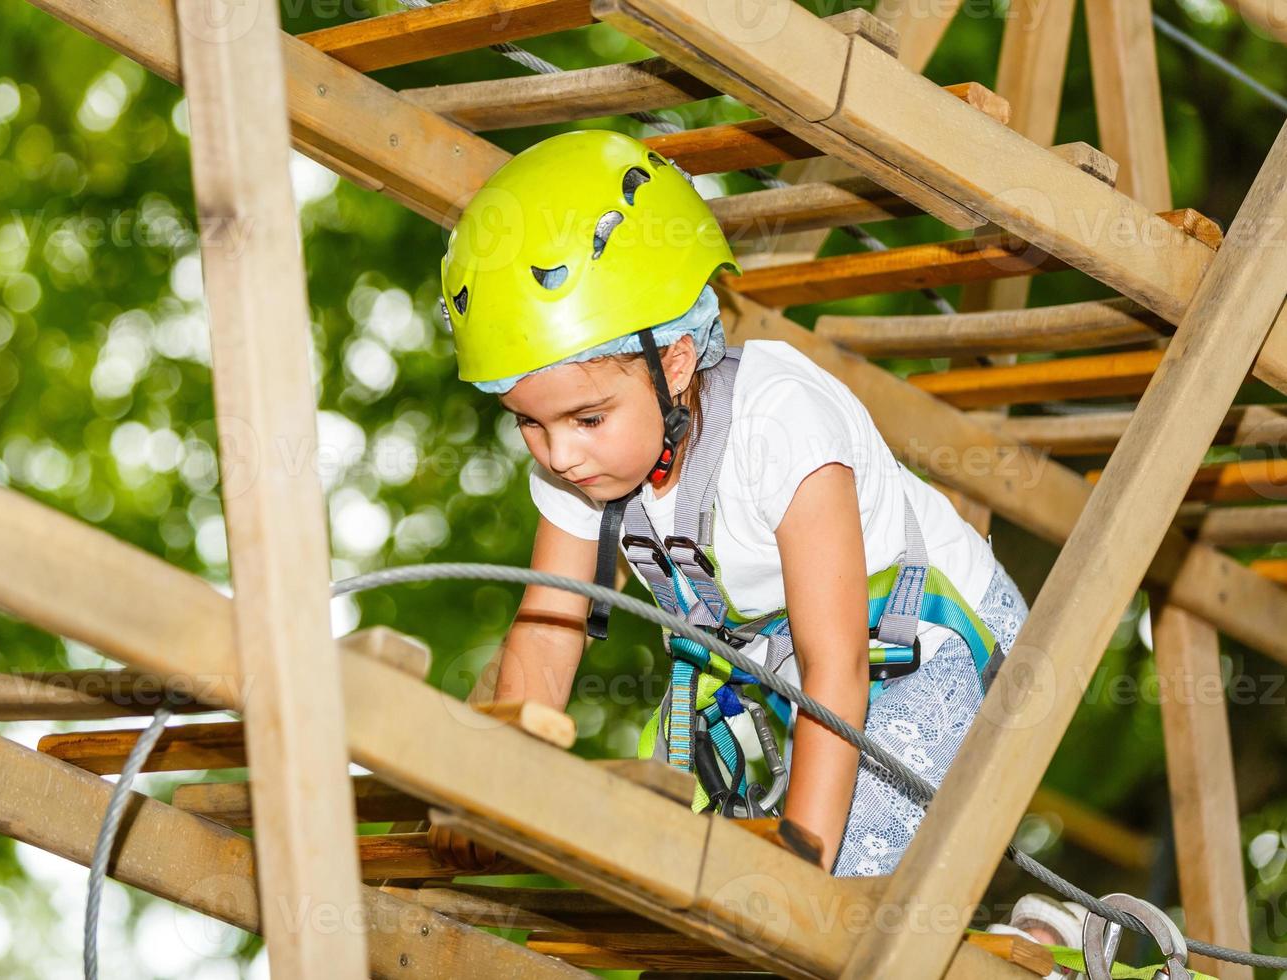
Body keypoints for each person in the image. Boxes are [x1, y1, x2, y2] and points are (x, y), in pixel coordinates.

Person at [439, 128, 1031, 878]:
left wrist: (803, 871)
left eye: (586, 419)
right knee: (669, 869)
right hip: (772, 664)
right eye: (529, 421)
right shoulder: (583, 468)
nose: (559, 454)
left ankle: (1045, 941)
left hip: (931, 641)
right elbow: (551, 633)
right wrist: (485, 788)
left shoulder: (779, 423)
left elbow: (836, 663)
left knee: (844, 878)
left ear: (676, 362)